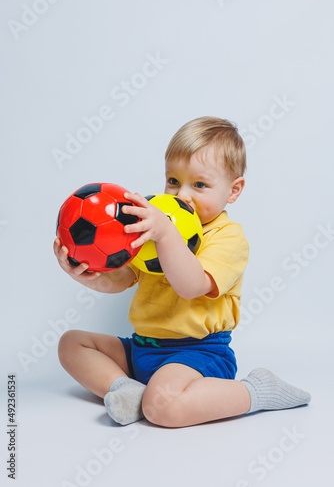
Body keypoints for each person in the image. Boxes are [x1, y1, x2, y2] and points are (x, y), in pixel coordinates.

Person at [54, 116, 311, 428]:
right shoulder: (156, 224)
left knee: (163, 406)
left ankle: (256, 390)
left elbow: (192, 285)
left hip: (198, 353)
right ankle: (126, 389)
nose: (181, 196)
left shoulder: (228, 237)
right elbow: (121, 280)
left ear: (234, 189)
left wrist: (165, 235)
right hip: (143, 347)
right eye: (173, 181)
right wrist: (83, 272)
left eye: (199, 184)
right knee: (71, 343)